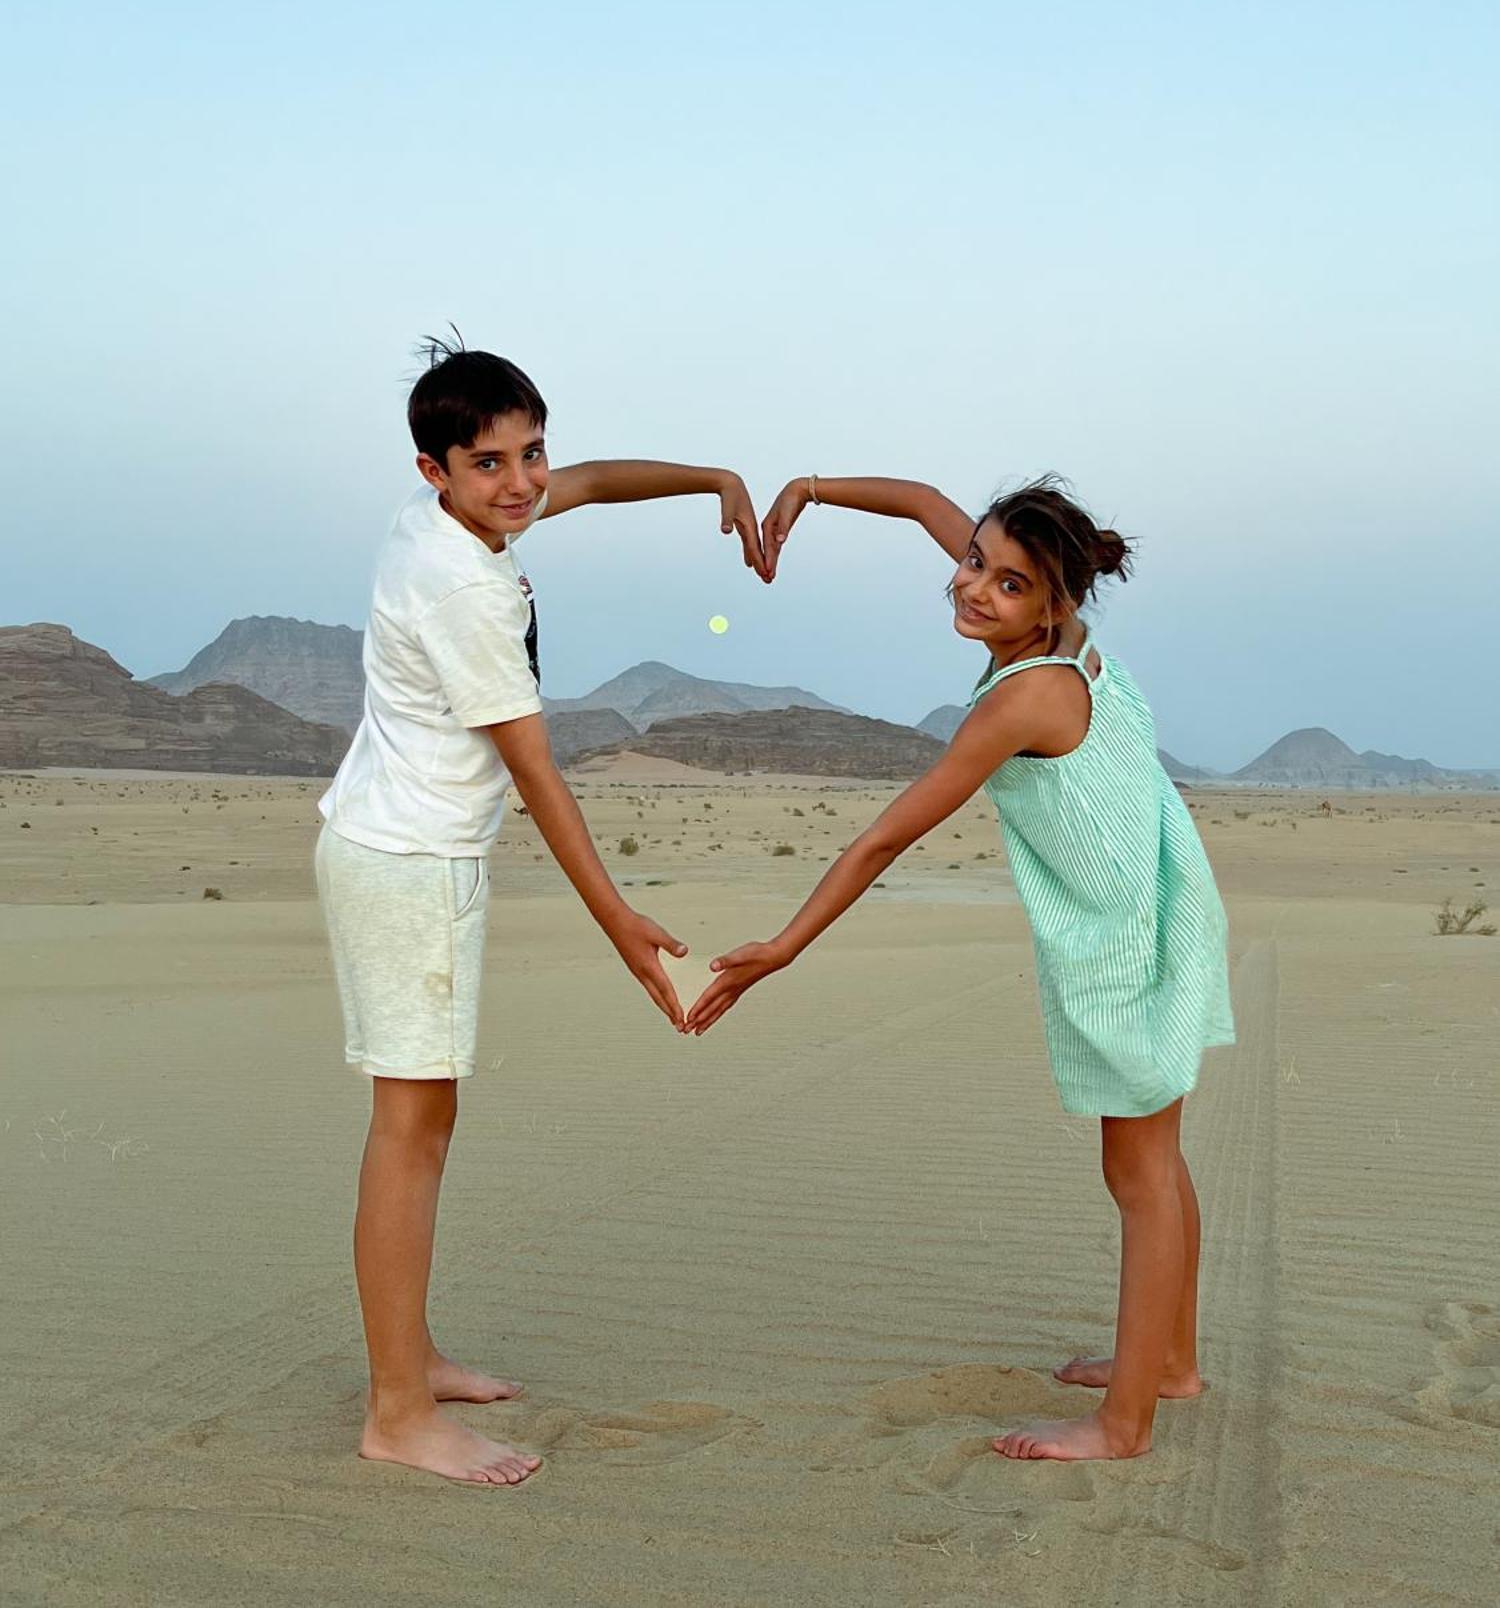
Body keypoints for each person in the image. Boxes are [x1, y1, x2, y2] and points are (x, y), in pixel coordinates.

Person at [685, 473, 1234, 1463]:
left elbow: (882, 840)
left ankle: (1125, 1423)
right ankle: (1170, 1360)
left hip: (1125, 937)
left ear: (1055, 601)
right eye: (976, 560)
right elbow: (926, 501)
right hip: (1166, 897)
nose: (974, 586)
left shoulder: (1020, 699)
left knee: (1139, 1168)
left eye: (1008, 582)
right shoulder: (1066, 643)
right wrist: (812, 488)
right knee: (1156, 1157)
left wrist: (785, 944)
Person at [316, 336, 766, 1486]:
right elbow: (536, 766)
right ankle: (397, 1409)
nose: (523, 482)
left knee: (425, 1122)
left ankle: (411, 1356)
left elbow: (596, 481)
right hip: (411, 862)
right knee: (408, 1134)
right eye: (491, 463)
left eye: (531, 451)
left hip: (397, 842)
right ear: (436, 470)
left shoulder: (452, 519)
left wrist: (708, 477)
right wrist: (616, 916)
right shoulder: (460, 582)